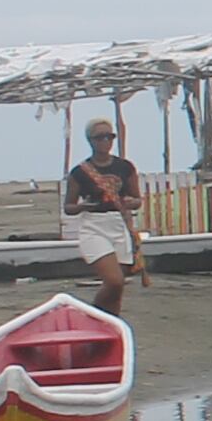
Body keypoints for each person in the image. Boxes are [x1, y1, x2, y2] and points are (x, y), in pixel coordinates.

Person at [62, 117, 145, 313]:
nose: (105, 142)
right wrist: (84, 206)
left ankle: (110, 325)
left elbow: (137, 199)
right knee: (114, 281)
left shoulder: (125, 167)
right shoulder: (80, 172)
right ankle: (92, 314)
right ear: (90, 140)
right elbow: (69, 207)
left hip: (119, 225)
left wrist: (130, 203)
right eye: (100, 138)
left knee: (118, 289)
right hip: (94, 227)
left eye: (110, 137)